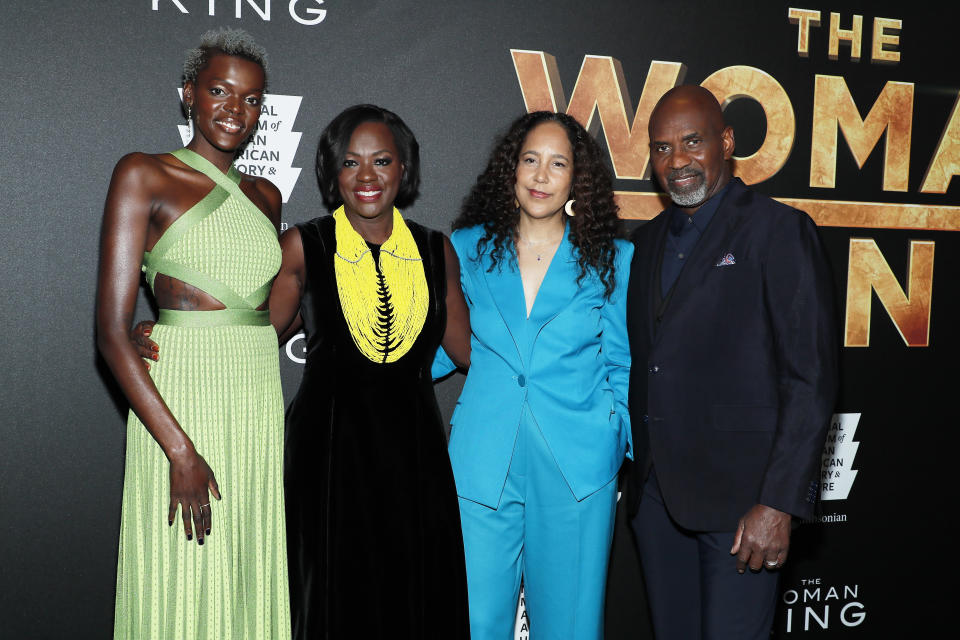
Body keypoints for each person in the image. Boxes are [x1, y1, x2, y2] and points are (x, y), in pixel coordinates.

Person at [135, 105, 472, 638]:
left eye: (382, 160)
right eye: (349, 162)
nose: (366, 176)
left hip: (415, 454)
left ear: (403, 169)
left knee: (416, 594)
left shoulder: (437, 252)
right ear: (331, 174)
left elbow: (472, 351)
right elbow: (248, 331)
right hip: (327, 454)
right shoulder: (304, 246)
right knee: (329, 598)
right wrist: (169, 331)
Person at [624, 85, 838, 639]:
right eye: (662, 148)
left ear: (726, 141)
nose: (677, 162)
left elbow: (810, 379)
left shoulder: (779, 230)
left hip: (744, 507)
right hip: (657, 501)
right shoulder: (643, 243)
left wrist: (777, 503)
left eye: (692, 142)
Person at [97, 29, 291, 639]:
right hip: (180, 402)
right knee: (181, 567)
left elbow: (259, 309)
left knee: (244, 566)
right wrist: (179, 451)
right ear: (188, 95)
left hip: (255, 397)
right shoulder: (143, 173)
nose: (237, 110)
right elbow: (109, 332)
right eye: (220, 91)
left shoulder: (267, 197)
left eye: (253, 99)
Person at [434, 111, 633, 639]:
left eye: (557, 163)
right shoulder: (465, 248)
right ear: (512, 169)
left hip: (578, 467)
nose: (541, 176)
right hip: (482, 460)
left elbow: (622, 362)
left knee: (568, 627)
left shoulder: (614, 258)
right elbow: (435, 347)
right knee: (475, 623)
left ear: (576, 179)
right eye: (530, 160)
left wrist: (614, 442)